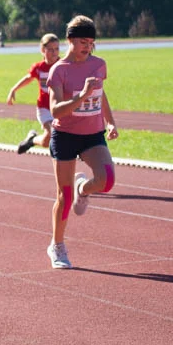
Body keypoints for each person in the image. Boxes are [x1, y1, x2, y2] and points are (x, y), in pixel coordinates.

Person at [44, 15, 118, 269]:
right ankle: (57, 246)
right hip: (65, 136)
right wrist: (82, 95)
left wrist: (110, 121)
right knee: (63, 197)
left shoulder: (99, 65)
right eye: (83, 42)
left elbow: (101, 94)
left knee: (107, 180)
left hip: (92, 134)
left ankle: (83, 190)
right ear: (70, 40)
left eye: (91, 42)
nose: (87, 47)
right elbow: (56, 110)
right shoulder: (59, 70)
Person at [8, 33, 61, 154]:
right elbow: (28, 78)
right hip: (45, 108)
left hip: (60, 108)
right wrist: (13, 90)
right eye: (50, 49)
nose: (54, 52)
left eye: (57, 49)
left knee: (47, 142)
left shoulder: (63, 65)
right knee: (53, 133)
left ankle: (32, 140)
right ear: (43, 50)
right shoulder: (39, 67)